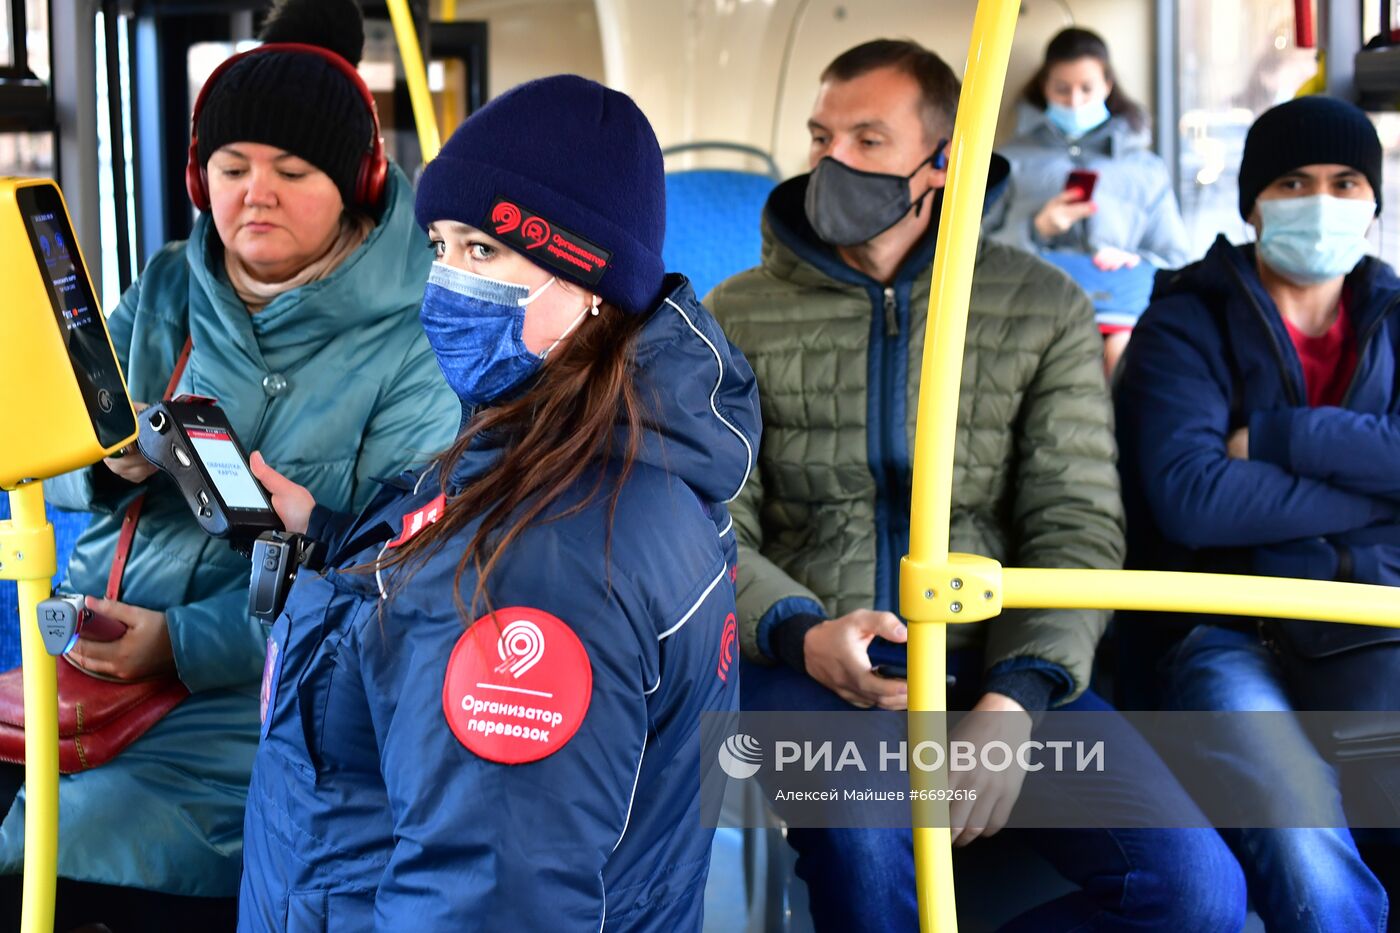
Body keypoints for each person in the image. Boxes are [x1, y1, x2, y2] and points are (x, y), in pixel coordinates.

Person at [705, 38, 1244, 932]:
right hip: (817, 660)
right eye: (819, 138)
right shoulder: (735, 314)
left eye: (868, 141)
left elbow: (1074, 521)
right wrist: (802, 633)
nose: (831, 162)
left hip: (990, 662)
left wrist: (1017, 698)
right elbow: (716, 519)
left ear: (942, 163)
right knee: (872, 851)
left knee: (1196, 894)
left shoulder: (1044, 309)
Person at [237, 74, 761, 931]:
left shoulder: (538, 557)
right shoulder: (610, 451)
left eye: (483, 251)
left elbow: (488, 896)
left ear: (590, 279)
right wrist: (332, 541)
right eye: (440, 247)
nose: (446, 284)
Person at [0, 2, 459, 928]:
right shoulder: (169, 281)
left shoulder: (421, 339)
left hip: (261, 690)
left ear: (358, 185)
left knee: (74, 856)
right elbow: (62, 455)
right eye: (233, 167)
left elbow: (394, 584)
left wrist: (181, 643)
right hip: (84, 655)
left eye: (293, 171)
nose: (257, 193)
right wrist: (108, 466)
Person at [1116, 95, 1400, 932]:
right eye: (1294, 180)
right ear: (1252, 203)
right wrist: (1376, 485)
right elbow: (1193, 499)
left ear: (1374, 200)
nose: (1322, 201)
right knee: (1299, 822)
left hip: (1371, 616)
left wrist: (1278, 434)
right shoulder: (1183, 323)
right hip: (1226, 628)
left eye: (1346, 181)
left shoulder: (1394, 319)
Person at [986, 27, 1191, 375]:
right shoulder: (1009, 160)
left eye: (1086, 88)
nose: (1076, 102)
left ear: (1107, 86)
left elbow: (1177, 261)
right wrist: (1034, 229)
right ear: (1044, 89)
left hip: (1120, 313)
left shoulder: (1145, 169)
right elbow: (974, 253)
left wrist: (1133, 262)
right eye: (1062, 90)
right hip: (1033, 309)